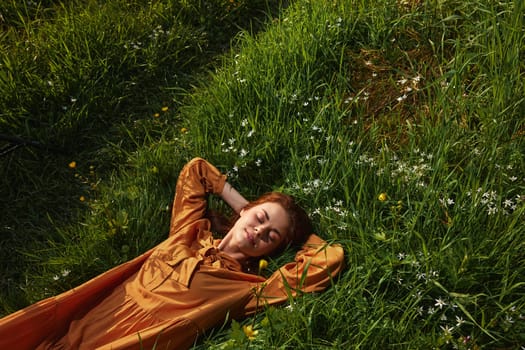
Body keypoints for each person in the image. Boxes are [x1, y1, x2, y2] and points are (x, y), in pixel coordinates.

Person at [0, 157, 344, 349]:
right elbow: (196, 171)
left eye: (272, 236)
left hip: (136, 341)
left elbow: (329, 259)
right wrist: (243, 207)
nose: (259, 231)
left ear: (274, 249)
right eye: (261, 218)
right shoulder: (192, 230)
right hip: (104, 308)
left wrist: (298, 238)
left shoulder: (247, 288)